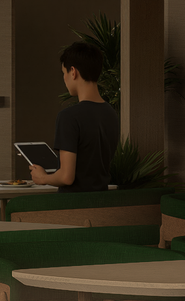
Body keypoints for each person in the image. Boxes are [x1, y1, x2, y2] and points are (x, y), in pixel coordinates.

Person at [27, 42, 118, 192]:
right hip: (101, 203)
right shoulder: (111, 113)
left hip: (72, 208)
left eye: (64, 73)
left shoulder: (69, 117)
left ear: (73, 72)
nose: (64, 78)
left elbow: (66, 177)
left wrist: (42, 177)